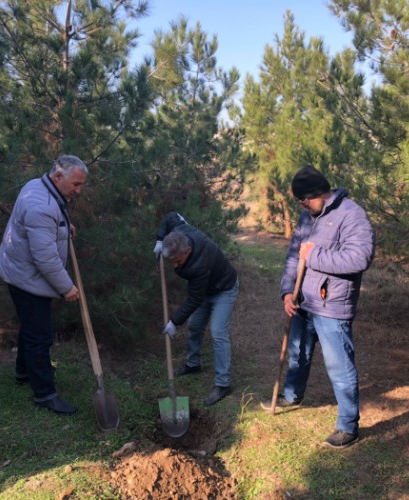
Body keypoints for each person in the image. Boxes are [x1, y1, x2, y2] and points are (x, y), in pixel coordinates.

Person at [260, 165, 375, 449]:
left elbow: (360, 259)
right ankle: (291, 395)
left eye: (303, 201)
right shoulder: (307, 215)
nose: (301, 206)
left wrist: (316, 255)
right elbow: (293, 256)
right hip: (303, 300)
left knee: (339, 365)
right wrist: (288, 291)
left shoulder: (352, 215)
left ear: (319, 194)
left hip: (332, 304)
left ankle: (348, 426)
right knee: (298, 352)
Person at [0, 155, 89, 415]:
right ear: (58, 176)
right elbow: (45, 259)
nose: (79, 191)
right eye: (76, 184)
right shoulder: (41, 206)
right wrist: (66, 287)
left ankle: (24, 371)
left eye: (81, 185)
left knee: (31, 325)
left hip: (18, 269)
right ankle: (44, 394)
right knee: (41, 334)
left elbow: (47, 223)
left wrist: (62, 226)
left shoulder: (38, 185)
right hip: (27, 278)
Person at [154, 212, 239, 406]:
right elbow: (171, 216)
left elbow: (194, 299)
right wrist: (160, 240)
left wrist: (174, 321)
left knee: (218, 333)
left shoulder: (199, 264)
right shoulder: (179, 230)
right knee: (194, 325)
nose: (174, 266)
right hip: (205, 289)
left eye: (177, 262)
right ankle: (193, 364)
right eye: (171, 262)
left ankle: (223, 383)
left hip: (223, 289)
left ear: (188, 250)